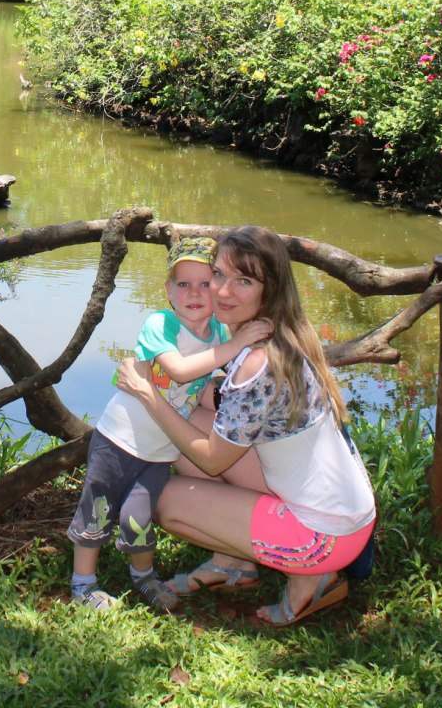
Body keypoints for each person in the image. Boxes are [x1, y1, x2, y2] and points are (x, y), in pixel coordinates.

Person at [115, 225, 376, 627]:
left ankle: (312, 579)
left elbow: (214, 461)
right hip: (345, 511)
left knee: (165, 499)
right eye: (218, 274)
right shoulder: (281, 334)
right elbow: (225, 409)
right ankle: (232, 563)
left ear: (267, 290)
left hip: (324, 537)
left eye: (243, 281)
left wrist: (147, 393)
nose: (221, 291)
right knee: (190, 425)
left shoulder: (256, 362)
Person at [67, 236, 271, 610]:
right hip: (120, 439)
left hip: (160, 451)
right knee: (97, 509)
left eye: (205, 284)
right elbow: (177, 371)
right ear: (168, 291)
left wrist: (242, 346)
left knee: (138, 517)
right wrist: (237, 343)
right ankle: (83, 584)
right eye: (183, 284)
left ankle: (143, 577)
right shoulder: (161, 323)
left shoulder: (220, 332)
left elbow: (212, 380)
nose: (194, 293)